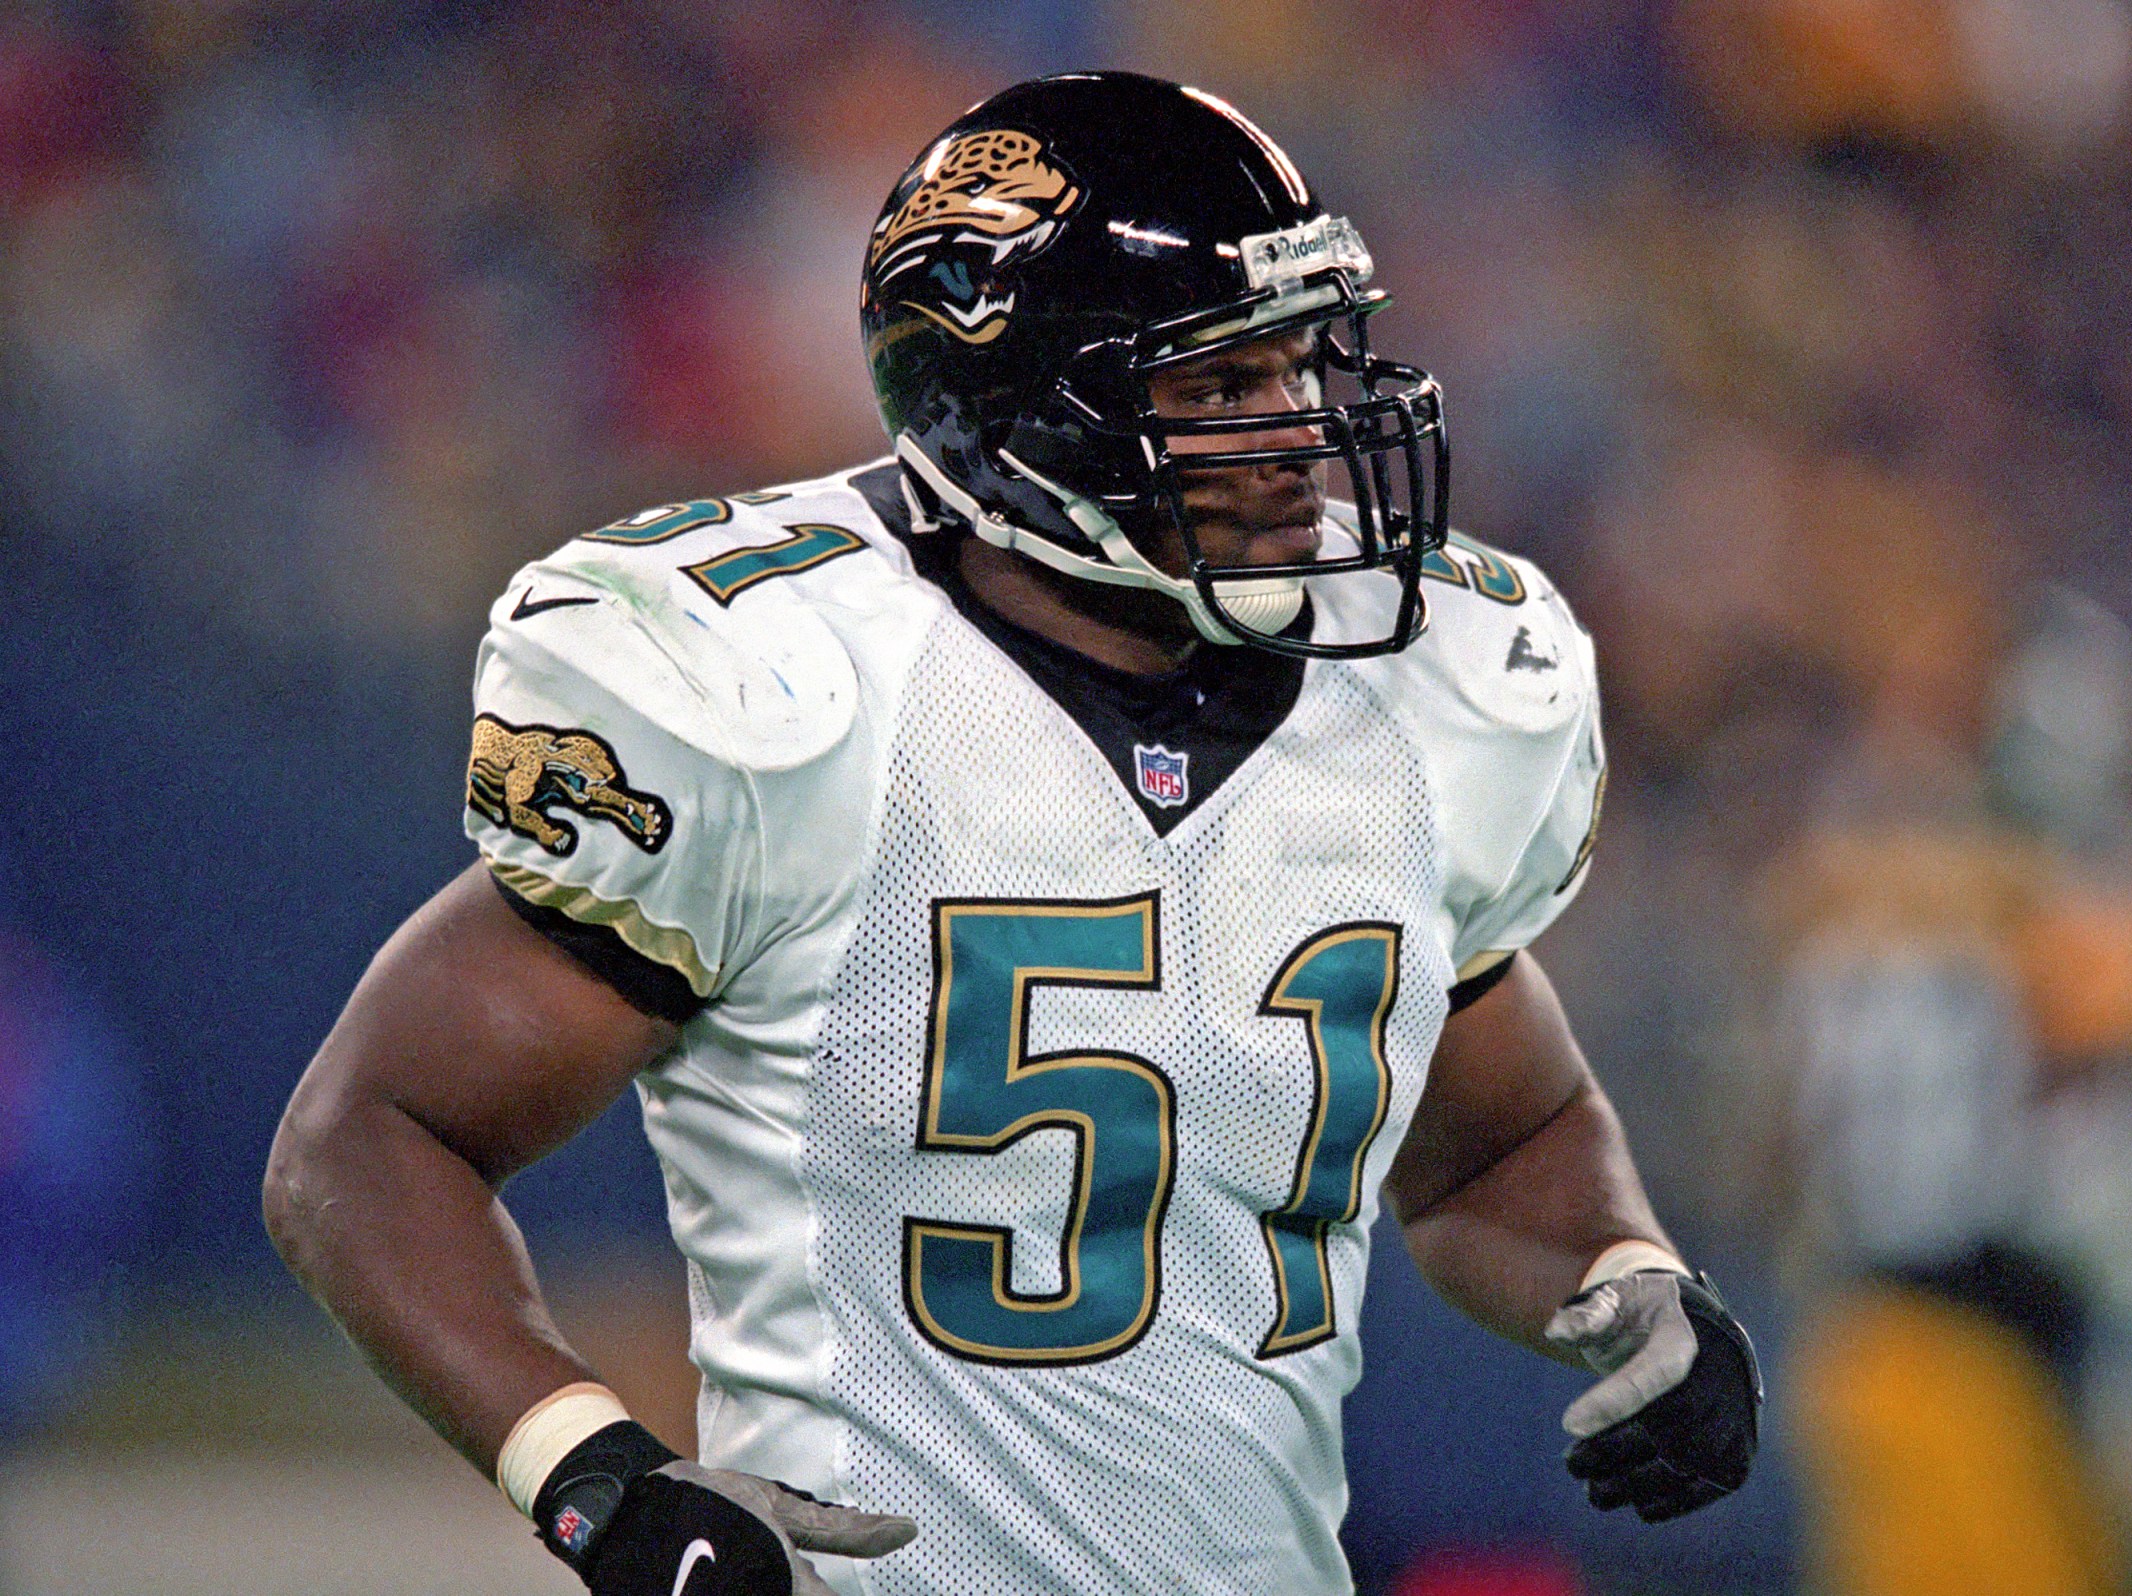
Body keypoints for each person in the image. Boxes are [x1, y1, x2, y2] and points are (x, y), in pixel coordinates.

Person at [263, 71, 1761, 1596]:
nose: (1307, 435)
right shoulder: (787, 696)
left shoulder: (1428, 695)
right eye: (1226, 389)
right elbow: (369, 1139)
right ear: (1025, 418)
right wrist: (593, 1476)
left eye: (1308, 366)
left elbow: (1499, 1138)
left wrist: (1627, 1270)